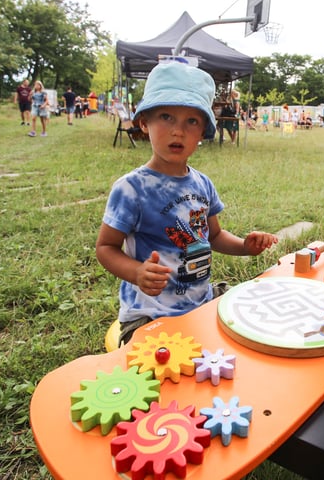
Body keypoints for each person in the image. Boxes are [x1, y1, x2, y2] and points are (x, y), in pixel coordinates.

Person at [95, 61, 278, 347]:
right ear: (145, 122)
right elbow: (105, 248)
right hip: (150, 313)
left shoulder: (202, 184)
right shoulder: (131, 188)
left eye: (191, 121)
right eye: (166, 116)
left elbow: (214, 236)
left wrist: (245, 246)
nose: (178, 131)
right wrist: (137, 272)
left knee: (250, 317)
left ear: (203, 131)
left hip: (200, 300)